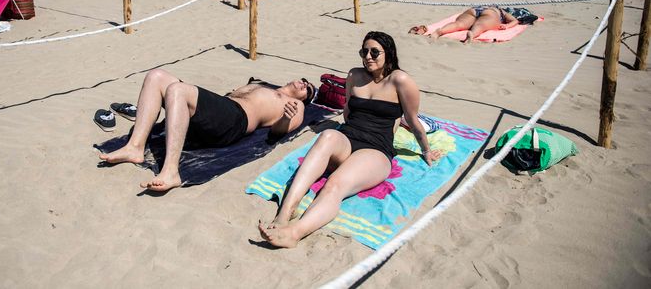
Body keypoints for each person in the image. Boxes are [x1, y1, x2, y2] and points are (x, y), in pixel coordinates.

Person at [258, 31, 442, 248]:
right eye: (364, 52)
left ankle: (294, 233)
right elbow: (347, 111)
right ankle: (284, 213)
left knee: (335, 183)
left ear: (389, 54)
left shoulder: (400, 80)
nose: (369, 57)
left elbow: (412, 120)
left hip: (375, 149)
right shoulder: (354, 75)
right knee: (327, 135)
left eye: (375, 52)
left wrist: (426, 150)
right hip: (348, 137)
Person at [98, 69, 316, 192]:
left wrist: (285, 119)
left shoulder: (294, 107)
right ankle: (135, 147)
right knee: (155, 77)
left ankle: (171, 170)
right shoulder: (262, 85)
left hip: (235, 121)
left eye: (308, 89)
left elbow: (277, 133)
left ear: (305, 99)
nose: (304, 84)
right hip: (220, 112)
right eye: (305, 80)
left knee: (177, 90)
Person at [423, 5, 518, 43]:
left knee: (459, 24)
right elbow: (515, 21)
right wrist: (507, 25)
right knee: (480, 25)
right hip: (491, 13)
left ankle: (440, 31)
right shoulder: (503, 12)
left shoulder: (491, 6)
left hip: (474, 9)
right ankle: (471, 34)